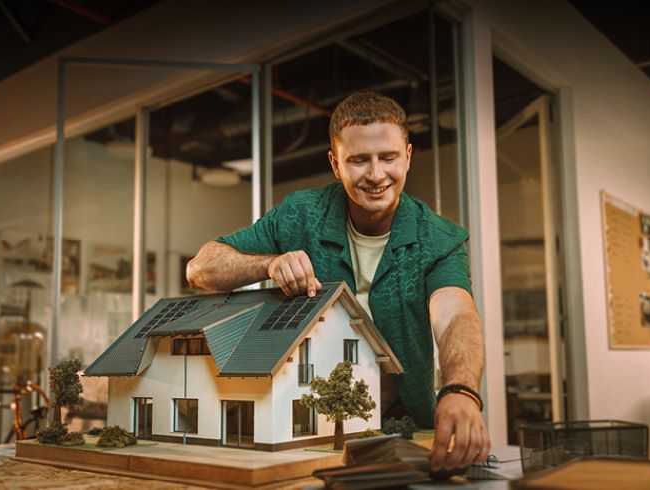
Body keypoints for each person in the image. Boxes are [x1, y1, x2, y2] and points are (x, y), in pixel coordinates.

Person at [186, 91, 490, 471]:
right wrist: (270, 265)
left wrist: (460, 390)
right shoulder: (299, 214)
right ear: (335, 163)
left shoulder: (441, 238)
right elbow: (201, 268)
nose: (376, 175)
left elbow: (455, 315)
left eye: (389, 157)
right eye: (359, 160)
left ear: (408, 157)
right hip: (305, 425)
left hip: (404, 423)